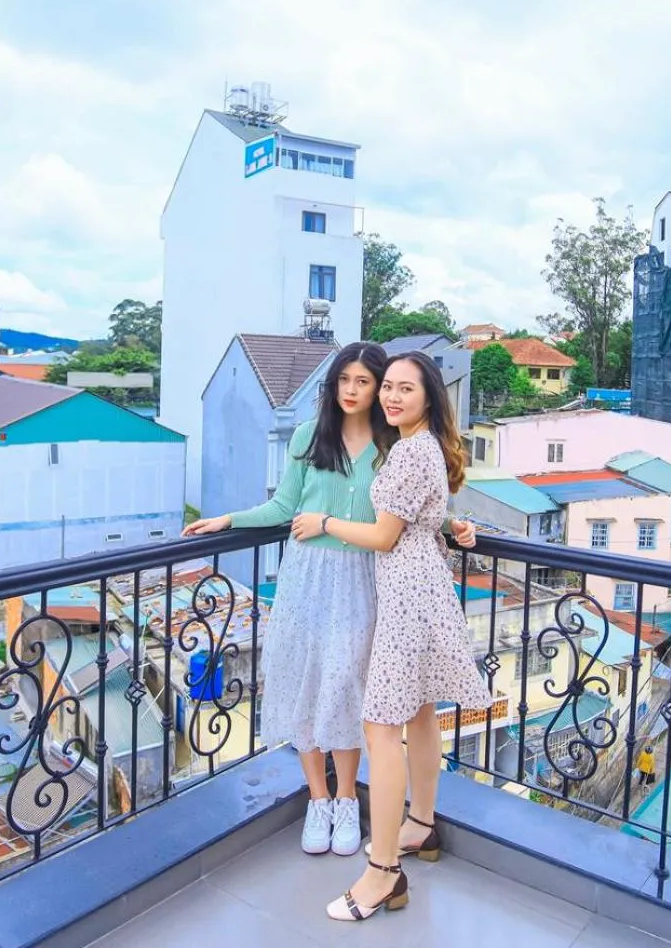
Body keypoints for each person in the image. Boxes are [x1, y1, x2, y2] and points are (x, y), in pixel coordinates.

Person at [185, 343, 476, 858]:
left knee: (348, 685)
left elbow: (405, 513)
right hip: (307, 574)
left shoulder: (395, 443)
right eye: (345, 380)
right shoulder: (309, 437)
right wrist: (228, 520)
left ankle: (346, 797)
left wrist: (455, 526)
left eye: (366, 382)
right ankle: (318, 798)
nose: (353, 390)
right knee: (307, 679)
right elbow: (282, 506)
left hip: (365, 574)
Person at [291, 351, 489, 922]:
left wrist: (323, 523)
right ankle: (421, 826)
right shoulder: (424, 448)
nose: (391, 397)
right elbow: (422, 518)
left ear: (430, 396)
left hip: (405, 599)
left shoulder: (407, 452)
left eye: (406, 388)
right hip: (426, 590)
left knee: (381, 728)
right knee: (421, 714)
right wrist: (455, 524)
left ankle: (381, 872)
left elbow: (382, 535)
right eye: (390, 388)